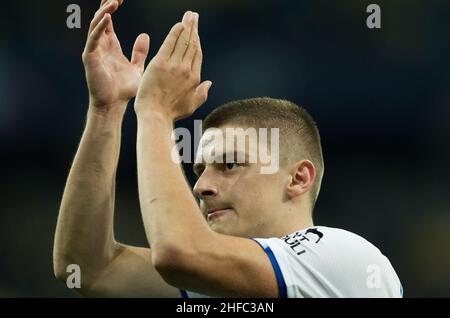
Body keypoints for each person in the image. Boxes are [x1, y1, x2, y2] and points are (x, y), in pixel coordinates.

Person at [53, 0, 402, 298]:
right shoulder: (223, 286)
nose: (200, 186)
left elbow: (179, 252)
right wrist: (107, 110)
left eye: (230, 164)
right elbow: (87, 268)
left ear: (298, 178)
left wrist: (155, 110)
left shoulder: (343, 257)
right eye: (199, 169)